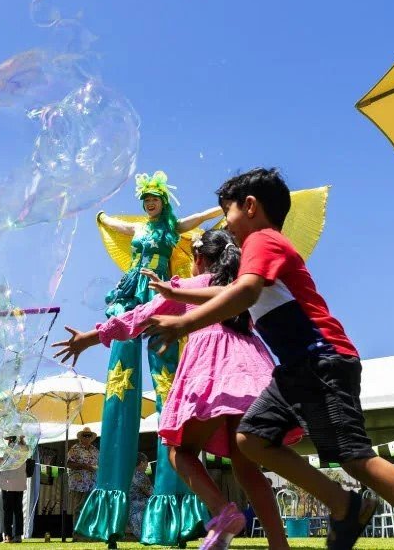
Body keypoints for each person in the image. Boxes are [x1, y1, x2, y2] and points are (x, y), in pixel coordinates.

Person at [140, 168, 394, 550]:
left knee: (356, 459)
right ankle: (344, 503)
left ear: (251, 207)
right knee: (252, 438)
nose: (226, 222)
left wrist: (184, 323)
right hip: (295, 368)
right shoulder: (257, 251)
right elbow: (226, 290)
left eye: (228, 212)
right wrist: (181, 299)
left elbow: (242, 294)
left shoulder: (263, 240)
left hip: (323, 358)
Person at [54, 229, 295, 549]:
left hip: (214, 373)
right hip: (253, 375)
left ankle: (223, 511)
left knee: (178, 451)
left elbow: (139, 316)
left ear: (198, 259)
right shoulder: (242, 289)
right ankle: (280, 546)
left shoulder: (191, 287)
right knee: (247, 467)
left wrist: (90, 337)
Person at [74, 171, 220, 545]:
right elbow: (120, 226)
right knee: (119, 390)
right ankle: (110, 518)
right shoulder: (138, 229)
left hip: (160, 296)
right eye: (145, 200)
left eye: (154, 198)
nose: (148, 203)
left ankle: (173, 510)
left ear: (164, 201)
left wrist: (222, 209)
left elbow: (198, 219)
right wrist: (102, 218)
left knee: (167, 386)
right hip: (127, 297)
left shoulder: (172, 227)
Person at [66, 427, 99, 536]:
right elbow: (69, 463)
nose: (87, 437)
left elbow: (99, 463)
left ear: (91, 438)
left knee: (91, 507)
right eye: (85, 435)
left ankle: (88, 532)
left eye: (89, 435)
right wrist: (85, 466)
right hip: (79, 484)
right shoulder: (75, 448)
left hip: (92, 483)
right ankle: (76, 533)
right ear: (81, 437)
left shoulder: (95, 450)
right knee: (79, 508)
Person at [0, 436, 30, 543]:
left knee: (8, 511)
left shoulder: (11, 448)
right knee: (18, 510)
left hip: (9, 484)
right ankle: (18, 535)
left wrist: (0, 461)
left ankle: (8, 536)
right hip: (19, 484)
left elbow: (7, 464)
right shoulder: (25, 448)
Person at [128, 453, 153, 540]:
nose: (147, 466)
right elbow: (151, 493)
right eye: (146, 463)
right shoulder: (140, 476)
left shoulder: (128, 472)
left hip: (128, 504)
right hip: (138, 504)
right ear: (142, 463)